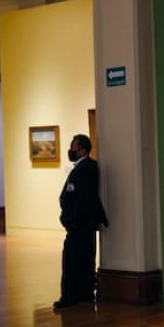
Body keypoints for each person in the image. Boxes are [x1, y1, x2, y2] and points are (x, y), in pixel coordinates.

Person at [54, 133, 109, 310]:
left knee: (73, 260)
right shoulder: (82, 168)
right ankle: (84, 293)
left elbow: (84, 197)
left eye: (73, 147)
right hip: (80, 224)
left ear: (82, 150)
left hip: (80, 225)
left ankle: (70, 296)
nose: (70, 150)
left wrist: (72, 220)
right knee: (83, 259)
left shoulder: (87, 168)